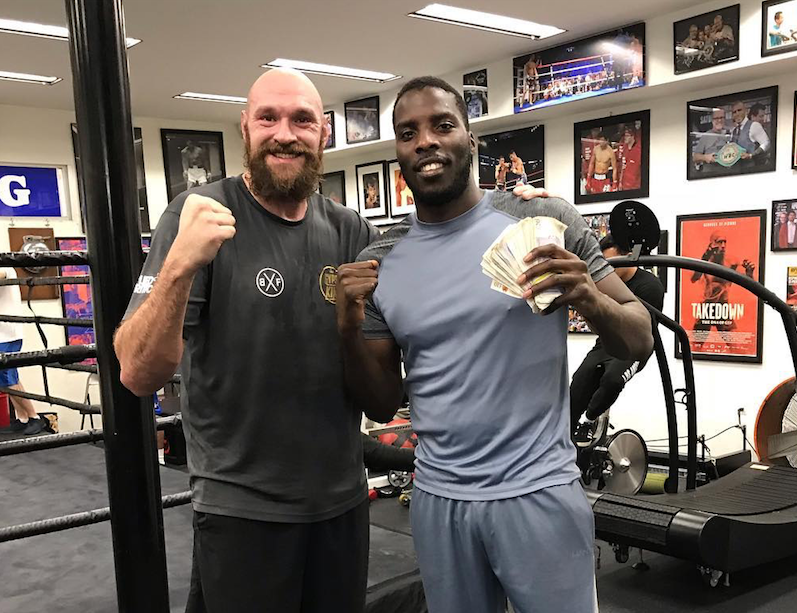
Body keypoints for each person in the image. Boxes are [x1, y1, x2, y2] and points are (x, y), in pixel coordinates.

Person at [336, 76, 653, 613]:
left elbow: (640, 335)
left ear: (471, 140)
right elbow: (381, 402)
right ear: (397, 153)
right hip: (439, 500)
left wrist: (589, 299)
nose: (426, 141)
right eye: (408, 132)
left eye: (442, 125)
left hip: (539, 492)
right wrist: (346, 327)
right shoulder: (382, 255)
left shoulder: (544, 220)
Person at [114, 68, 381, 613]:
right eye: (269, 118)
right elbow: (136, 373)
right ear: (245, 127)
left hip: (341, 504)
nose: (285, 133)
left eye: (302, 119)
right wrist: (179, 268)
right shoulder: (199, 215)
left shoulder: (349, 229)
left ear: (323, 132)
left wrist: (515, 213)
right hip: (243, 509)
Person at [569, 234, 664, 441]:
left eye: (612, 266)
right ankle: (566, 433)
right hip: (605, 343)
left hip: (635, 348)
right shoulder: (606, 285)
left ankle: (589, 420)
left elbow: (643, 332)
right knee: (579, 381)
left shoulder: (649, 286)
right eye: (605, 266)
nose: (607, 272)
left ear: (628, 257)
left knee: (612, 380)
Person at [690, 230, 756, 350]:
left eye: (725, 242)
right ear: (712, 243)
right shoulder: (704, 261)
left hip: (722, 308)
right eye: (719, 242)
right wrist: (704, 258)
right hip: (706, 308)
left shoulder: (731, 261)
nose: (723, 245)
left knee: (737, 347)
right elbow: (694, 278)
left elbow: (748, 282)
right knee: (695, 348)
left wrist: (749, 273)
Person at [0, 268, 42, 436]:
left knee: (6, 375)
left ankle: (34, 416)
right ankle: (23, 418)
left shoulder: (5, 266)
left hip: (8, 334)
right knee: (7, 377)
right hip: (2, 333)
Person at [692, 107, 729, 174]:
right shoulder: (706, 136)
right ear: (712, 120)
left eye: (721, 117)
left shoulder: (730, 133)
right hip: (710, 173)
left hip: (728, 172)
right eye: (716, 118)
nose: (719, 120)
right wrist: (705, 157)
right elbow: (695, 157)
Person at [616, 126, 641, 192]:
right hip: (624, 185)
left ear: (633, 137)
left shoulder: (638, 151)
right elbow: (622, 167)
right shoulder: (625, 149)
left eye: (627, 136)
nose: (625, 138)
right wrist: (620, 182)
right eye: (625, 135)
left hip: (635, 187)